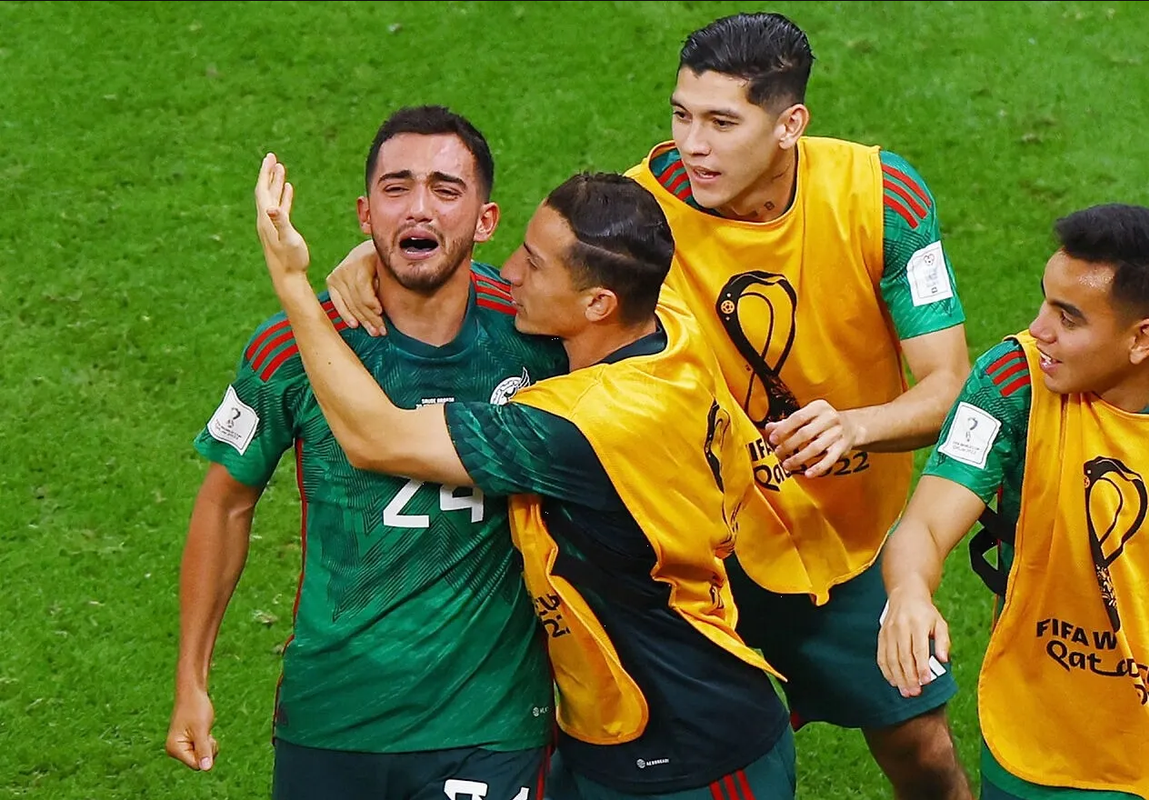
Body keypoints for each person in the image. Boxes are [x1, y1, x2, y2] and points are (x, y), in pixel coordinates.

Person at [326, 12, 974, 798]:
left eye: (722, 122)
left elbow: (949, 390)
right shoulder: (637, 208)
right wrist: (389, 252)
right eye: (681, 114)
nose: (692, 144)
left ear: (788, 124)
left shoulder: (883, 197)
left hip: (841, 538)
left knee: (919, 744)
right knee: (638, 737)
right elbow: (537, 288)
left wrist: (855, 426)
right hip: (690, 546)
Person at [253, 159, 801, 799]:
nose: (509, 272)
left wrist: (293, 285)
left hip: (694, 755)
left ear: (598, 303)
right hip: (601, 738)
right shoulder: (667, 323)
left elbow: (378, 438)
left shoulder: (582, 426)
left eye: (535, 266)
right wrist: (383, 256)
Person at [164, 105, 568, 800]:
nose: (419, 209)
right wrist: (191, 680)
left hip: (492, 720)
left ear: (486, 219)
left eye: (446, 190)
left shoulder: (539, 338)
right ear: (363, 213)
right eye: (396, 188)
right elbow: (226, 503)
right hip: (333, 717)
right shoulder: (290, 346)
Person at [877, 203, 1149, 800]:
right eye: (1044, 301)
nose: (1039, 330)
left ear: (1143, 338)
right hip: (1040, 736)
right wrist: (909, 594)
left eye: (1068, 318)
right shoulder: (1013, 378)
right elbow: (924, 524)